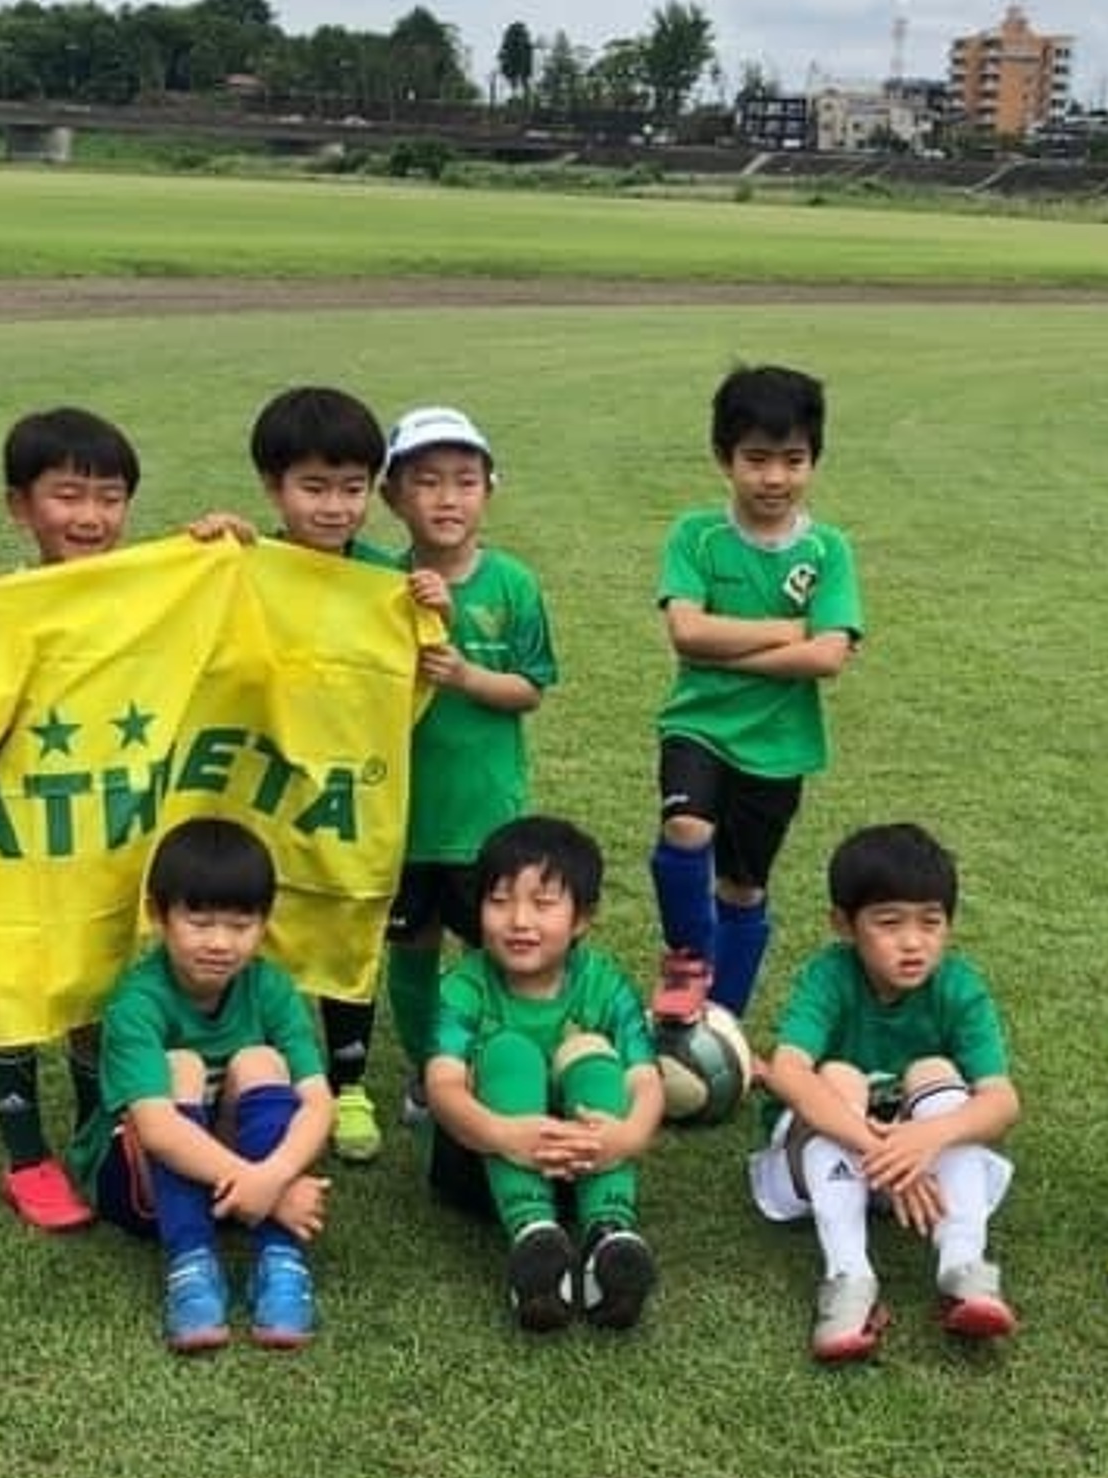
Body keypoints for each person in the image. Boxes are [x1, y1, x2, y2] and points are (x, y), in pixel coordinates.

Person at [200, 385, 402, 1163]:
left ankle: (349, 1084)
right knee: (255, 915)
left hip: (348, 790)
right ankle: (259, 1072)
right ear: (271, 486)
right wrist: (207, 550)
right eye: (313, 488)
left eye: (353, 489)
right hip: (256, 785)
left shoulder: (385, 582)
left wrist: (429, 606)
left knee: (348, 919)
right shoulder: (242, 563)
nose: (335, 507)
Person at [753, 823, 1022, 1362]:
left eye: (931, 922)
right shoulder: (829, 976)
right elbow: (787, 1071)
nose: (913, 942)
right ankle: (849, 1278)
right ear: (843, 925)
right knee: (840, 1077)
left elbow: (1002, 1102)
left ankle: (963, 1266)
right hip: (825, 1160)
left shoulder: (961, 987)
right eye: (889, 923)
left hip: (926, 1166)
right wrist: (880, 1147)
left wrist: (923, 1139)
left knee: (935, 1071)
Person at [647, 363, 861, 1026]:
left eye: (793, 460)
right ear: (724, 458)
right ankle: (687, 962)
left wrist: (730, 644)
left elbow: (828, 655)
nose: (775, 478)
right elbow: (686, 632)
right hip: (698, 726)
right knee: (685, 828)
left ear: (814, 460)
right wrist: (782, 632)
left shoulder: (828, 551)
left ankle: (721, 1022)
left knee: (742, 887)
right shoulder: (696, 536)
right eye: (757, 459)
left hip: (778, 745)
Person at [0, 405, 143, 1229]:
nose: (90, 517)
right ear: (19, 506)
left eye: (109, 498)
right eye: (67, 496)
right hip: (14, 839)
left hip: (101, 838)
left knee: (91, 985)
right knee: (13, 987)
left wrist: (220, 548)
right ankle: (25, 1157)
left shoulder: (142, 595)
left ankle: (92, 1131)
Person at [376, 404, 556, 1169]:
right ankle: (427, 1069)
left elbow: (532, 686)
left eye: (464, 480)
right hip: (399, 815)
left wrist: (468, 673)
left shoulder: (512, 584)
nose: (446, 499)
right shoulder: (373, 581)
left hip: (485, 815)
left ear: (491, 488)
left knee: (494, 946)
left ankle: (491, 1065)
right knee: (411, 946)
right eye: (426, 482)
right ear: (392, 496)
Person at [79, 817, 335, 1353]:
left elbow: (318, 1102)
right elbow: (155, 1129)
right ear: (158, 915)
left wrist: (275, 1177)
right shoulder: (137, 1002)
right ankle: (190, 1263)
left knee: (261, 1060)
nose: (220, 942)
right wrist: (269, 1190)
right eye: (200, 922)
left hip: (240, 1178)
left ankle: (281, 1261)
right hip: (138, 1184)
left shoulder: (269, 987)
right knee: (182, 1069)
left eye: (241, 926)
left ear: (264, 924)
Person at [423, 816, 666, 1334]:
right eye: (500, 900)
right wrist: (504, 1134)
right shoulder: (464, 986)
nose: (518, 920)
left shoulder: (602, 982)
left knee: (592, 1051)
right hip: (482, 1161)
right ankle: (532, 1241)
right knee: (509, 1051)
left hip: (585, 1161)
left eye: (543, 902)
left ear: (582, 918)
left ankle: (608, 1240)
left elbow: (646, 1082)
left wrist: (627, 1136)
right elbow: (441, 1086)